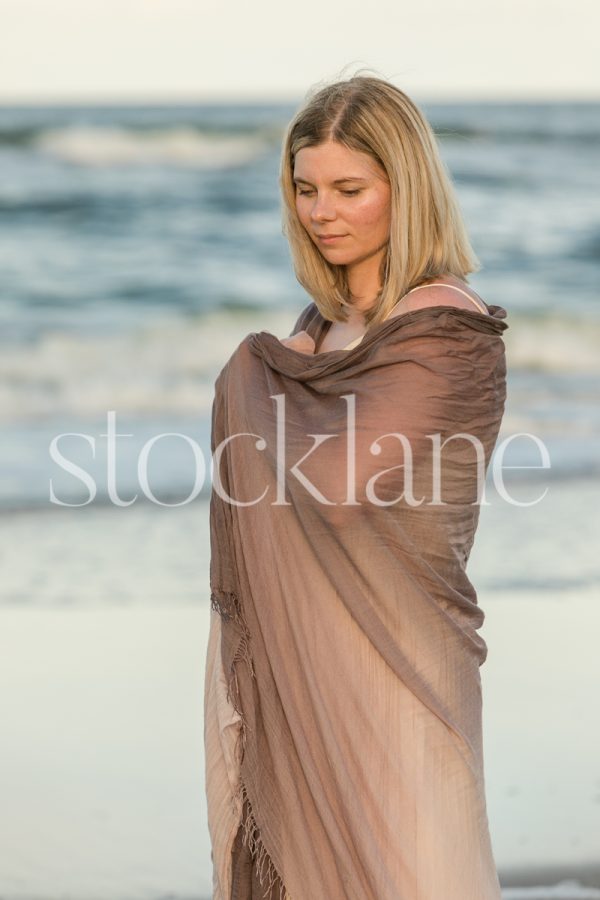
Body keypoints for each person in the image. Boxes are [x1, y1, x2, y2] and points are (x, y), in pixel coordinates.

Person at [204, 73, 508, 900]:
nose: (321, 212)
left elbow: (336, 485)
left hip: (408, 650)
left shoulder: (446, 327)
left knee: (417, 870)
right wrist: (275, 375)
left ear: (402, 189)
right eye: (304, 189)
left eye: (348, 189)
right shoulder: (319, 323)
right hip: (313, 651)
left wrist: (253, 376)